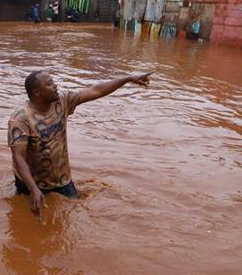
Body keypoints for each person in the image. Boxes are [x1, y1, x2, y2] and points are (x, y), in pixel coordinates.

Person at [8, 70, 154, 215]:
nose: (55, 86)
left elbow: (95, 91)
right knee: (25, 219)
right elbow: (18, 157)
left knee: (69, 218)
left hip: (61, 180)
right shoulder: (21, 119)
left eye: (53, 82)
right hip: (30, 183)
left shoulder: (62, 101)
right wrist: (33, 188)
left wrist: (127, 78)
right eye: (50, 84)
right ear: (37, 92)